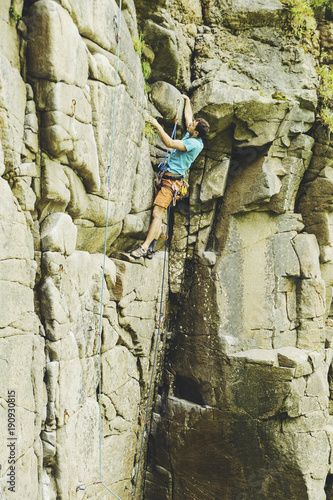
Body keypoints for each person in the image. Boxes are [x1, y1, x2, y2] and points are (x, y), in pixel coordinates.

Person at [130, 94, 210, 259]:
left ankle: (144, 248)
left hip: (171, 183)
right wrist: (187, 101)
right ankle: (151, 246)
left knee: (157, 214)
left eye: (192, 125)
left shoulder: (193, 144)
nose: (189, 123)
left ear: (196, 132)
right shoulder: (193, 134)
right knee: (159, 213)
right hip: (168, 179)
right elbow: (188, 116)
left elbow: (170, 143)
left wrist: (156, 124)